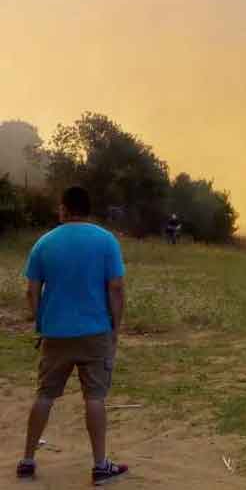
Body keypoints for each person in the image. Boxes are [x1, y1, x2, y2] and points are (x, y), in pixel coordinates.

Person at [17, 186, 129, 485]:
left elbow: (32, 289)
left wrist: (41, 321)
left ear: (64, 209)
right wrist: (115, 328)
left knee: (45, 395)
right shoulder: (106, 241)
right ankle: (99, 466)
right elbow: (116, 288)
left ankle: (27, 460)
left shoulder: (44, 242)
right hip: (95, 332)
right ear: (88, 209)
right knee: (94, 398)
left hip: (56, 333)